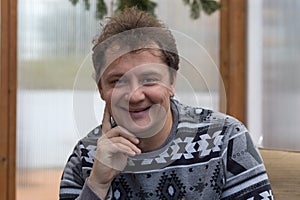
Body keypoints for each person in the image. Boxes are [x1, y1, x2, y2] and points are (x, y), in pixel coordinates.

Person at [59, 7, 273, 200]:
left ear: (172, 82)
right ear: (102, 90)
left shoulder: (226, 139)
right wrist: (97, 184)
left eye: (149, 79)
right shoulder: (85, 157)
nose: (135, 96)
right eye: (118, 81)